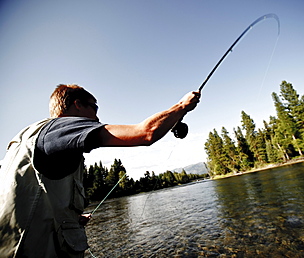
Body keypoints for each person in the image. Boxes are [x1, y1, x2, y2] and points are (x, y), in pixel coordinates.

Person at [0, 84, 200, 257]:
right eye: (94, 108)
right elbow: (145, 133)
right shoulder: (61, 128)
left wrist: (73, 219)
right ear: (77, 104)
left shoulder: (29, 138)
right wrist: (181, 106)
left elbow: (31, 196)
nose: (97, 116)